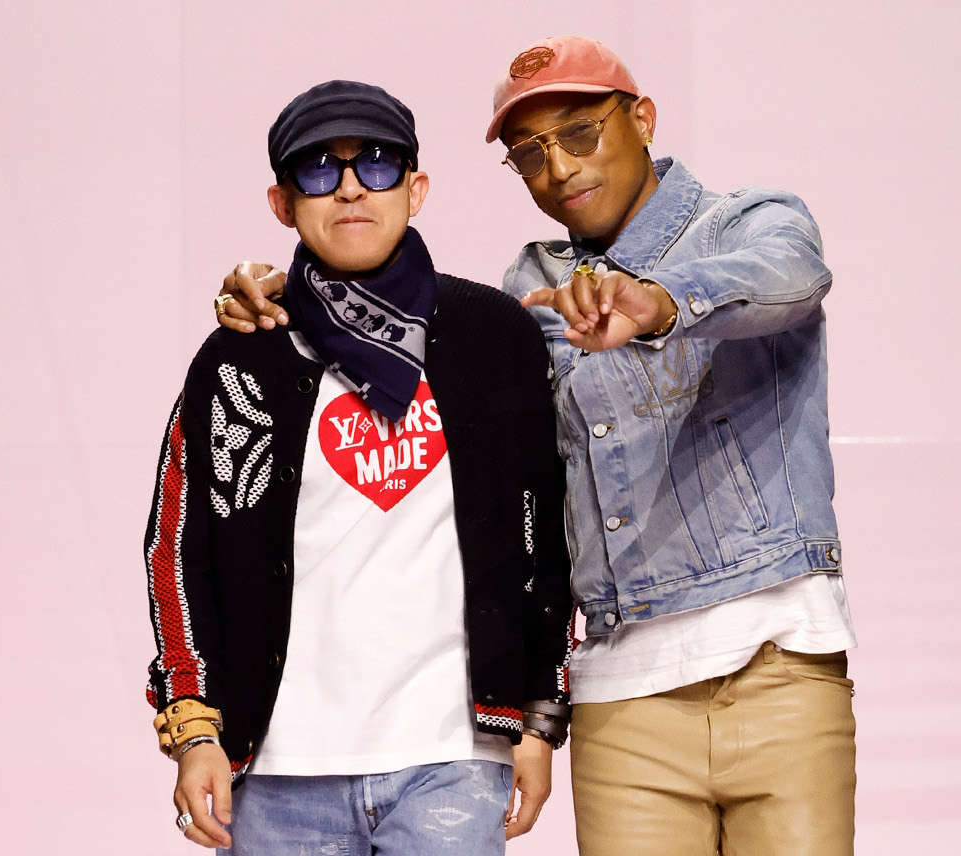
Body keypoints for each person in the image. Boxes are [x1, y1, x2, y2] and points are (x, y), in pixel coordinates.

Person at [217, 37, 857, 856]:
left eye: (579, 133)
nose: (556, 168)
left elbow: (790, 277)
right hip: (623, 696)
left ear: (643, 118)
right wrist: (294, 295)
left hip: (778, 665)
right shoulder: (531, 288)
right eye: (529, 153)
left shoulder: (752, 222)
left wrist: (657, 302)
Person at [144, 79, 573, 854]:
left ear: (417, 189)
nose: (349, 186)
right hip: (276, 768)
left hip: (451, 756)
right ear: (282, 203)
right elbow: (178, 549)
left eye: (375, 164)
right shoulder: (244, 353)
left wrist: (540, 715)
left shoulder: (492, 337)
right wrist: (194, 726)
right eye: (318, 169)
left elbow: (548, 539)